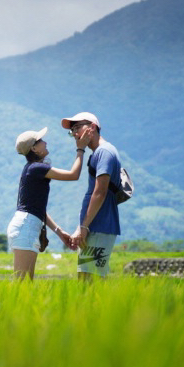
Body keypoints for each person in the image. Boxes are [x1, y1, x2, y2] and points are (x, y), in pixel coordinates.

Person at [7, 127, 75, 280]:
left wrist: (58, 231)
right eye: (40, 140)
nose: (45, 142)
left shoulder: (32, 169)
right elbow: (73, 175)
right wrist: (80, 149)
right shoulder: (37, 168)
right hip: (26, 226)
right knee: (21, 283)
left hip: (28, 225)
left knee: (25, 284)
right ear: (34, 148)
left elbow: (38, 209)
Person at [62, 111, 123, 280]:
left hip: (99, 225)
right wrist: (81, 226)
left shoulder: (104, 152)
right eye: (72, 130)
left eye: (77, 128)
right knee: (87, 281)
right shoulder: (98, 153)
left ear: (93, 127)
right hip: (94, 226)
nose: (74, 133)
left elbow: (100, 192)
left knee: (91, 283)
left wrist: (84, 226)